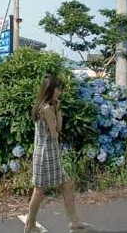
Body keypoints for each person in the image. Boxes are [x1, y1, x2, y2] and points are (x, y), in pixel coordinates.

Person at [24, 75, 86, 233]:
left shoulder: (41, 107)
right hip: (48, 154)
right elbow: (56, 132)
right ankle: (30, 225)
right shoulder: (46, 109)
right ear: (50, 90)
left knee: (64, 184)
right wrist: (57, 112)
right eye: (57, 88)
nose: (59, 91)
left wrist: (57, 110)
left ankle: (74, 221)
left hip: (44, 153)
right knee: (39, 191)